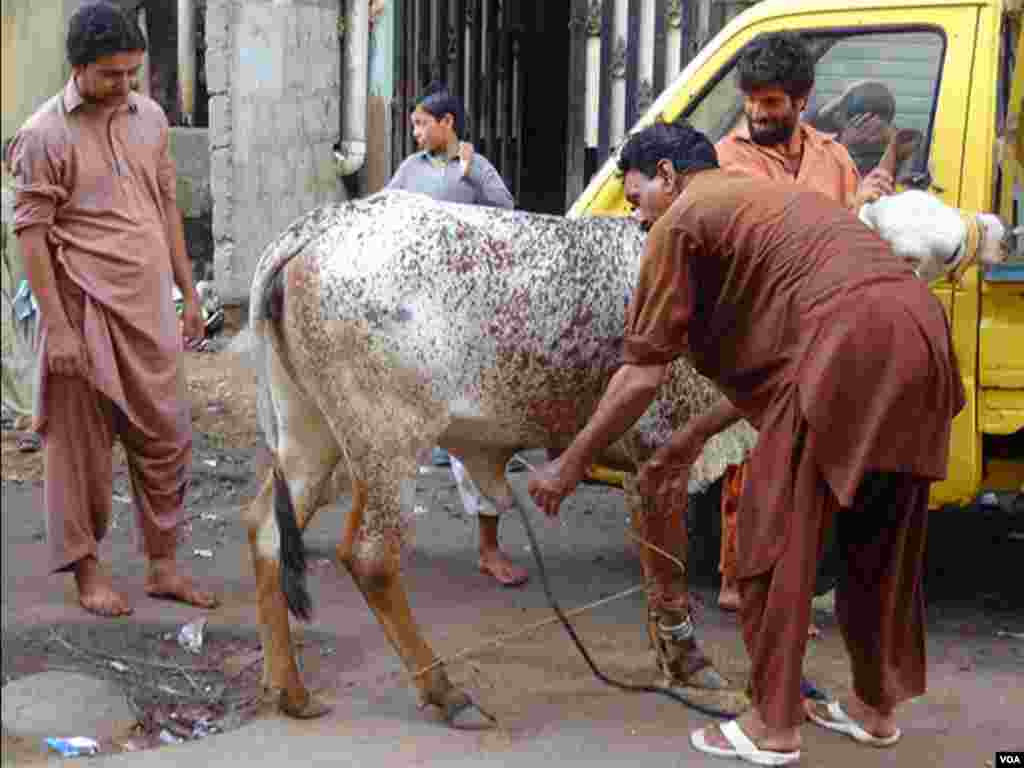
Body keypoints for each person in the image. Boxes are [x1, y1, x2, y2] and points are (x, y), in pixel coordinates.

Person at [529, 122, 963, 763]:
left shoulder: (682, 221)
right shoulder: (768, 202)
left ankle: (773, 724)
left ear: (671, 178)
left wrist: (568, 465)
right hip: (921, 334)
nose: (638, 219)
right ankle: (874, 710)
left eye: (636, 197)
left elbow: (641, 371)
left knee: (769, 541)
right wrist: (686, 441)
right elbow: (786, 359)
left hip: (846, 344)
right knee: (881, 540)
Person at [9, 2, 218, 617]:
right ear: (77, 69)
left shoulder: (149, 118)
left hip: (150, 311)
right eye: (110, 75)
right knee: (79, 451)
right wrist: (59, 328)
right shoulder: (42, 135)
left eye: (132, 73)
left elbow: (165, 208)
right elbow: (32, 237)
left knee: (167, 437)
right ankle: (88, 574)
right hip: (82, 311)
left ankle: (163, 565)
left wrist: (188, 295)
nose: (124, 85)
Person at [713, 33, 912, 615]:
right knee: (747, 459)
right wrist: (849, 212)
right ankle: (735, 577)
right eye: (752, 100)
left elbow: (852, 234)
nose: (757, 113)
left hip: (827, 325)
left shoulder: (834, 156)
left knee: (815, 459)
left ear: (802, 101)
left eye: (771, 102)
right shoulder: (730, 158)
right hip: (759, 329)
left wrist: (875, 201)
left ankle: (796, 576)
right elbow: (774, 231)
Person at [386, 82, 526, 587]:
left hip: (466, 313)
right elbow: (385, 210)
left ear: (448, 124)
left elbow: (506, 212)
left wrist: (469, 170)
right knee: (392, 418)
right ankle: (381, 535)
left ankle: (489, 549)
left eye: (424, 123)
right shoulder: (411, 169)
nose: (418, 132)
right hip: (415, 312)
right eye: (415, 125)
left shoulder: (476, 166)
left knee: (480, 431)